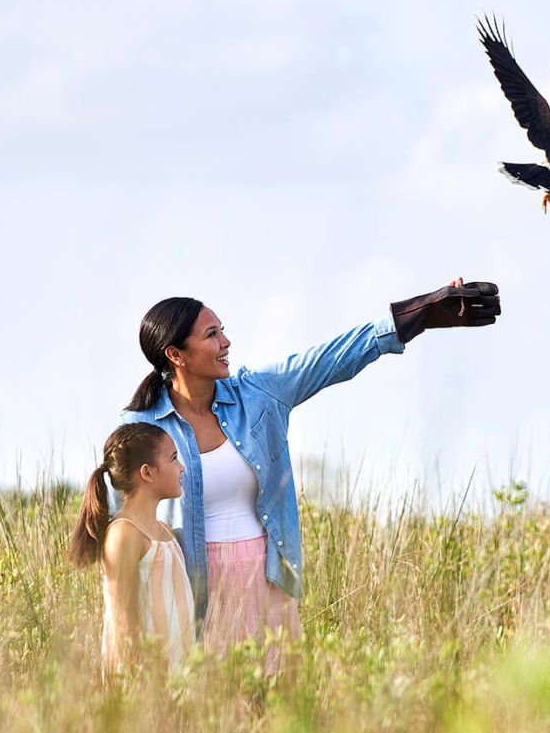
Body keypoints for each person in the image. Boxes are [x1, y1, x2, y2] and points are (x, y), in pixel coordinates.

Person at [121, 279, 501, 656]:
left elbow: (329, 359)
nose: (226, 343)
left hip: (267, 574)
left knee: (274, 706)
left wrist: (417, 315)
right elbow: (122, 524)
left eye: (223, 331)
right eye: (212, 334)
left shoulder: (257, 394)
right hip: (190, 586)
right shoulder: (142, 428)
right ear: (176, 354)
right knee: (206, 708)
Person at [70, 422, 193, 672]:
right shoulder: (124, 533)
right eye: (173, 458)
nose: (181, 468)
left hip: (180, 678)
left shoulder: (165, 531)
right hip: (145, 683)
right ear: (147, 472)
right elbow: (124, 624)